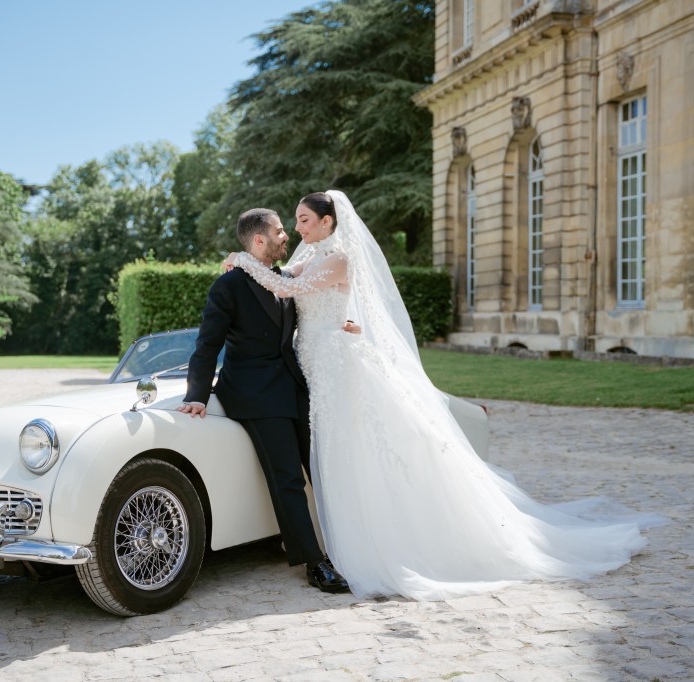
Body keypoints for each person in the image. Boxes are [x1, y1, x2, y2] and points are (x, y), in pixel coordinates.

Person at [226, 190, 665, 600]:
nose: (297, 229)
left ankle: (383, 544)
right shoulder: (313, 256)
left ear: (327, 222)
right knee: (339, 454)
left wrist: (243, 261)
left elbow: (286, 288)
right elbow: (283, 276)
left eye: (304, 220)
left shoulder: (338, 259)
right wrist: (246, 261)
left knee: (359, 449)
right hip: (318, 366)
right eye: (295, 222)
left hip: (336, 365)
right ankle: (340, 539)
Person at [176, 208, 349, 593]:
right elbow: (208, 345)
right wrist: (197, 396)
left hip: (294, 388)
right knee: (287, 476)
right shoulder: (229, 286)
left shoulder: (284, 278)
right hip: (253, 394)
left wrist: (346, 326)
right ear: (259, 240)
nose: (287, 236)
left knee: (320, 468)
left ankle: (343, 545)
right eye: (279, 231)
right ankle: (315, 563)